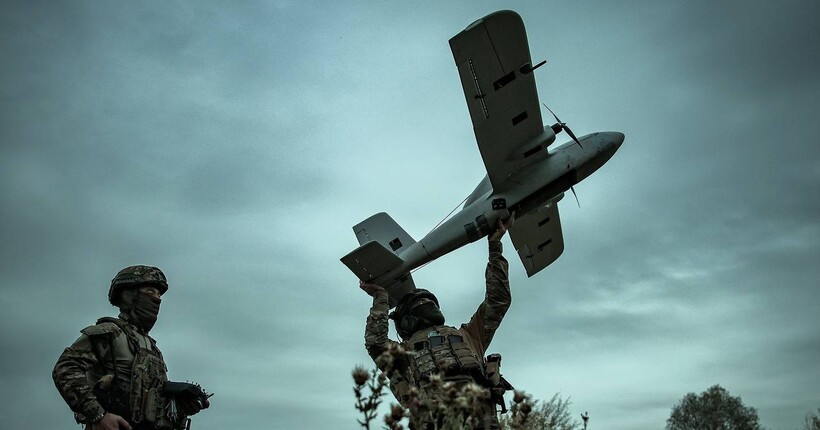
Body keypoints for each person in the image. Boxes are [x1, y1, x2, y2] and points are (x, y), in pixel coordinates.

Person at [361, 214, 515, 429]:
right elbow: (375, 343)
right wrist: (381, 298)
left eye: (429, 301)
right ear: (405, 321)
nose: (426, 303)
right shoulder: (403, 354)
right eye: (419, 303)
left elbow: (498, 301)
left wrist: (495, 246)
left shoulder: (470, 335)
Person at [53, 265, 209, 430]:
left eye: (159, 294)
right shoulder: (110, 332)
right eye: (150, 292)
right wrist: (99, 415)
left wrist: (180, 403)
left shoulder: (152, 348)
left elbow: (149, 399)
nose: (156, 299)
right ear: (128, 296)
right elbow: (65, 368)